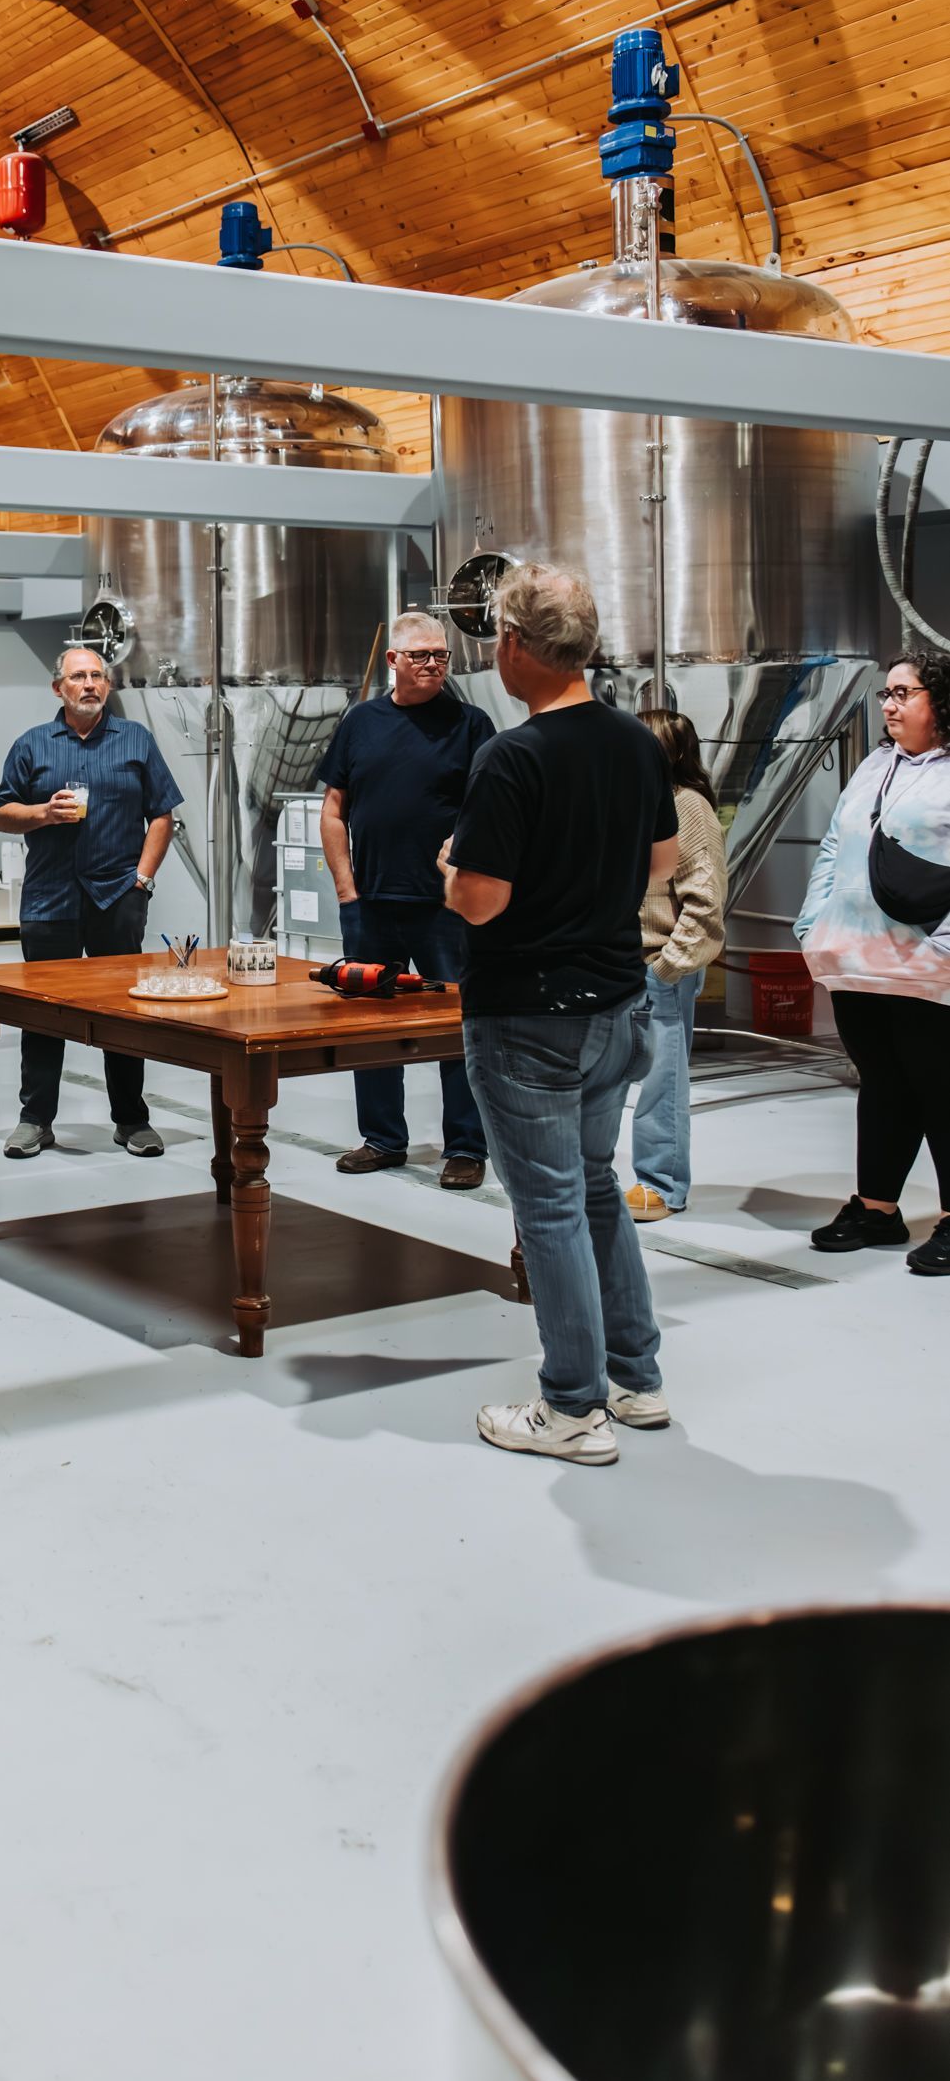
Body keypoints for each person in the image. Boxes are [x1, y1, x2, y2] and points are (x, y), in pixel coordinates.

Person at [441, 565, 678, 1467]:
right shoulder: (634, 741)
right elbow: (661, 862)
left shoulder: (512, 757)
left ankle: (572, 1407)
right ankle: (636, 1380)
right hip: (617, 1004)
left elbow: (480, 901)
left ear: (513, 645)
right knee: (592, 1187)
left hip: (528, 1017)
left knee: (547, 1208)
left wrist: (449, 867)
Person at [319, 610, 494, 1190]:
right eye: (421, 655)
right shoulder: (360, 723)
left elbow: (490, 810)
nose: (433, 664)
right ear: (392, 660)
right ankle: (382, 1139)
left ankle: (465, 1146)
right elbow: (333, 810)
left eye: (441, 655)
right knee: (370, 1027)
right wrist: (346, 889)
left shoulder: (471, 724)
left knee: (458, 1027)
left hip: (446, 908)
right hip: (370, 903)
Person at [0, 644, 180, 1159]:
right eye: (78, 677)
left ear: (108, 685)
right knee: (43, 1012)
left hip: (116, 896)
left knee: (122, 1012)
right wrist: (42, 814)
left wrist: (142, 880)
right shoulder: (32, 744)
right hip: (49, 898)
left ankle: (131, 1119)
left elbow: (163, 814)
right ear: (59, 688)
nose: (90, 684)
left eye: (97, 675)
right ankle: (35, 1120)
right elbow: (2, 813)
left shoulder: (135, 740)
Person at [795, 653, 950, 1275]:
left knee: (940, 1088)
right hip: (856, 958)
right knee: (882, 1082)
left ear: (940, 700)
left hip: (926, 966)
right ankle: (877, 1209)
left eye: (903, 693)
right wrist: (813, 921)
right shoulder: (873, 765)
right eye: (886, 693)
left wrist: (945, 945)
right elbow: (836, 842)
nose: (888, 704)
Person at [627, 708, 727, 1220]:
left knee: (660, 1082)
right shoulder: (631, 800)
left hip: (658, 966)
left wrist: (666, 968)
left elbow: (704, 901)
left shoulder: (688, 806)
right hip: (616, 963)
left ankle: (661, 1185)